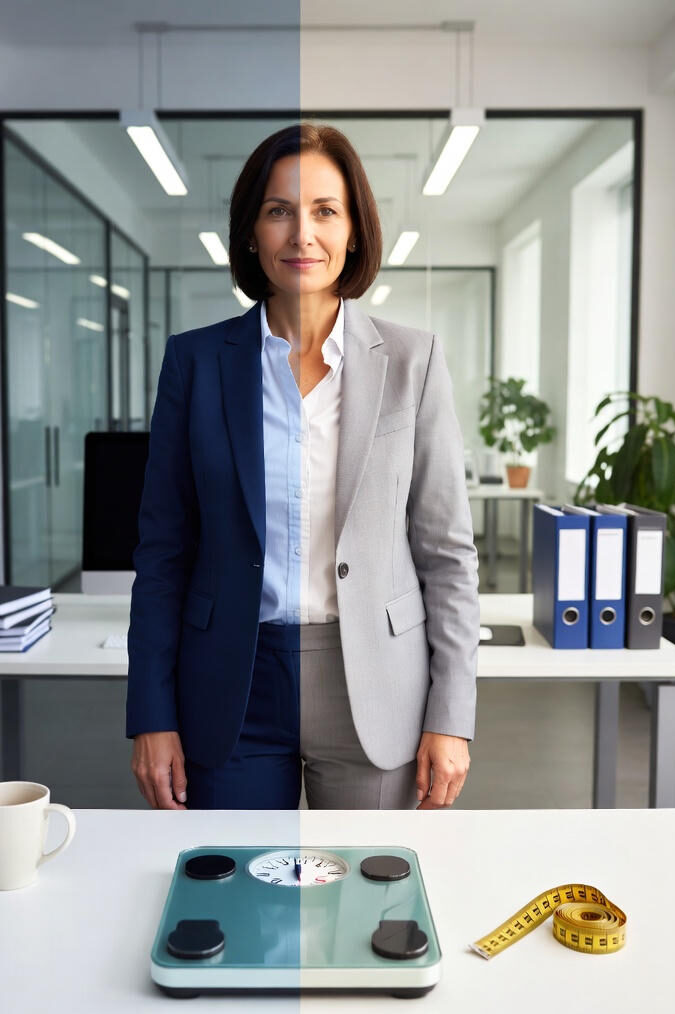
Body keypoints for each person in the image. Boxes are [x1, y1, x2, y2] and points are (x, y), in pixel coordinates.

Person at [126, 122, 480, 810]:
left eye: (325, 210)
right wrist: (151, 712)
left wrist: (451, 715)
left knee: (372, 908)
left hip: (375, 688)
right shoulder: (194, 364)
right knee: (235, 906)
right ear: (251, 231)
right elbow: (163, 553)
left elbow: (447, 557)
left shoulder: (414, 361)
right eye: (279, 211)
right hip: (229, 683)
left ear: (354, 230)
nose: (302, 234)